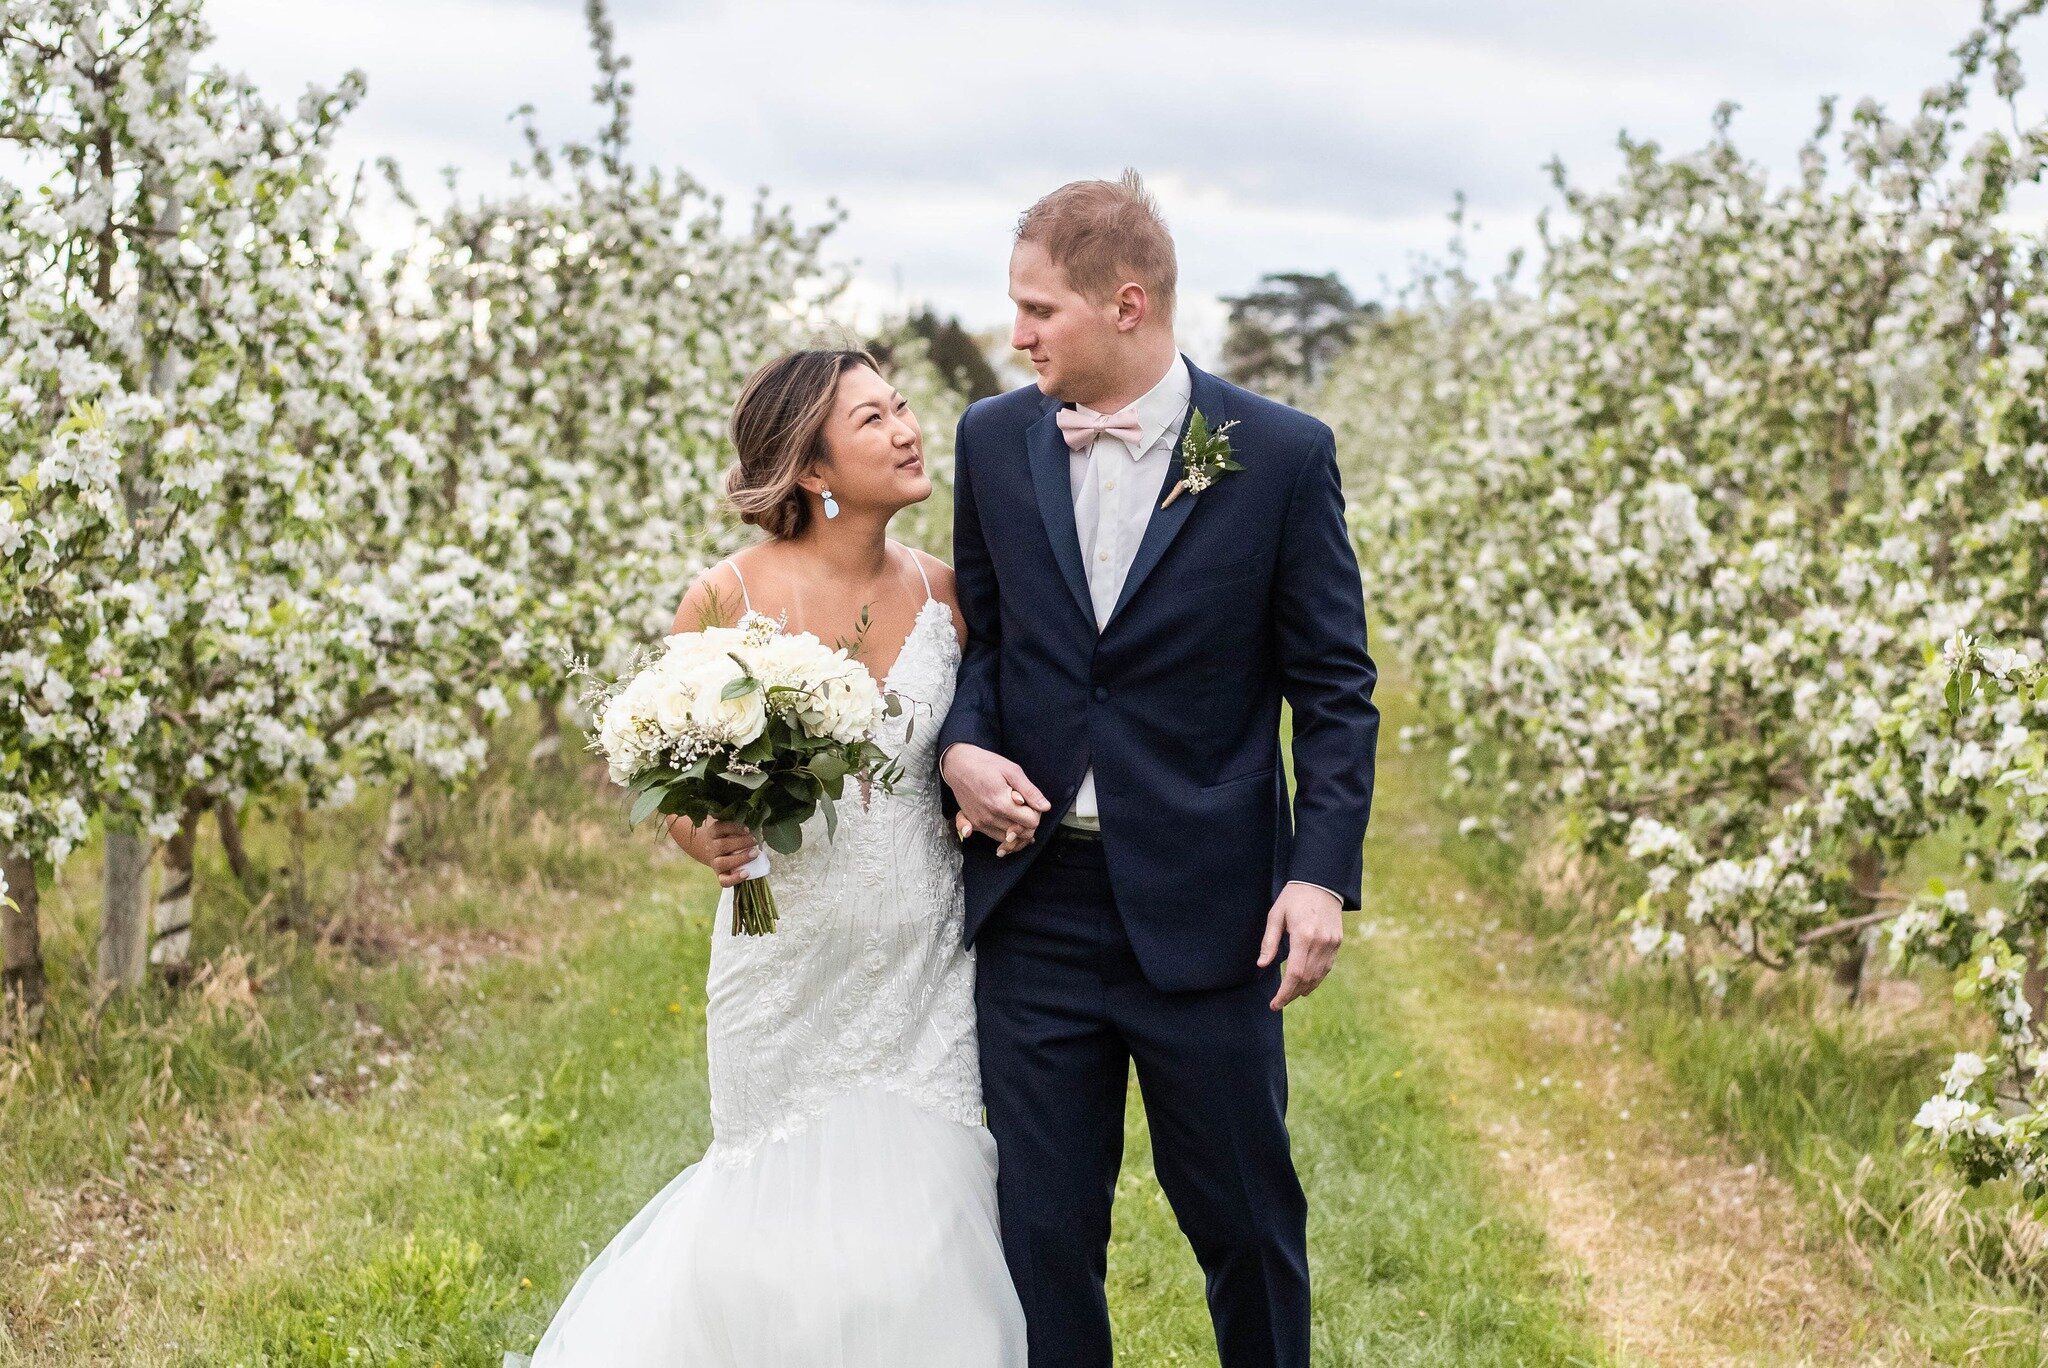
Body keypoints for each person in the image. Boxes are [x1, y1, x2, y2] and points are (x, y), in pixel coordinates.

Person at [507, 348, 1027, 1367]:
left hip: (917, 957)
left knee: (921, 1220)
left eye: (902, 406)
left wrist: (984, 796)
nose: (908, 428)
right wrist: (702, 833)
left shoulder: (951, 597)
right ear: (814, 470)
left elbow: (973, 737)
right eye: (873, 419)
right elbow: (667, 777)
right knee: (773, 1214)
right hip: (778, 949)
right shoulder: (722, 598)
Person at [938, 170, 1379, 1368]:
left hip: (1209, 911)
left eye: (1038, 310)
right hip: (1035, 907)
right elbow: (981, 645)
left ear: (1126, 305)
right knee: (1041, 1238)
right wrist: (962, 746)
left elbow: (1333, 690)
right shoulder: (991, 439)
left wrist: (1318, 875)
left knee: (1244, 1226)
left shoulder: (1279, 456)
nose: (1014, 334)